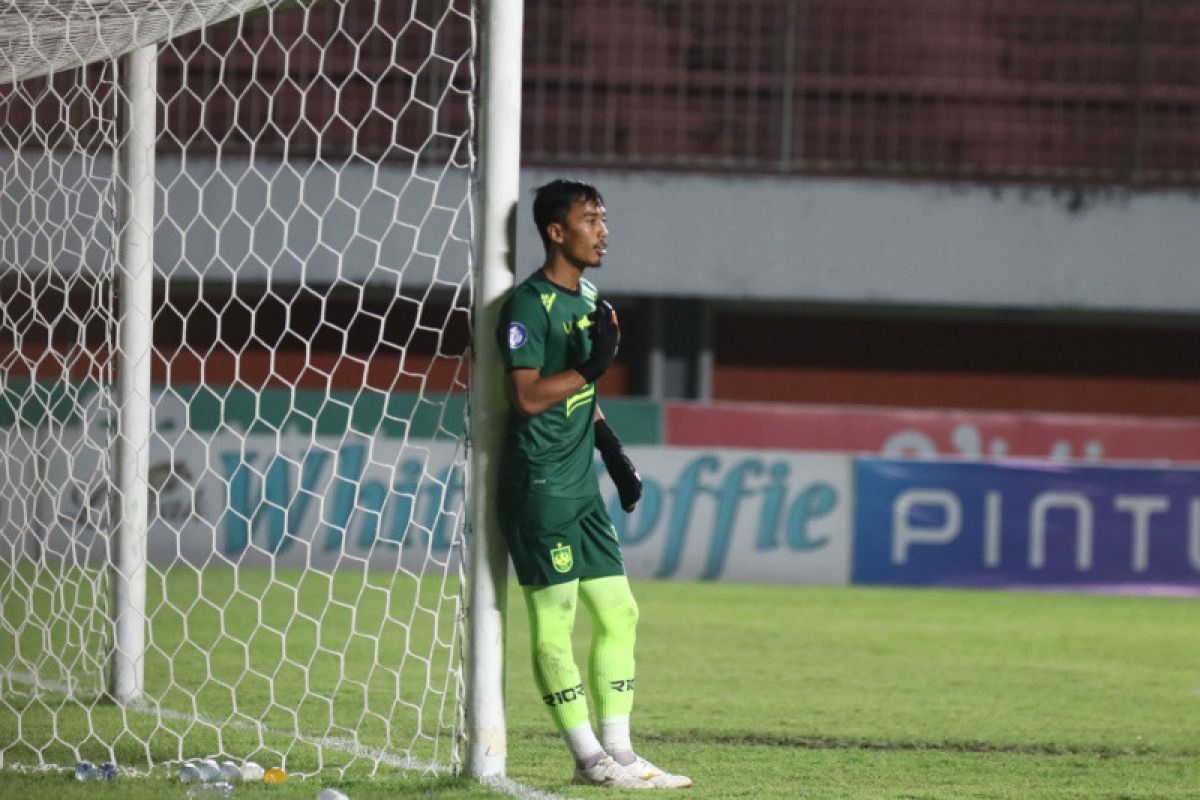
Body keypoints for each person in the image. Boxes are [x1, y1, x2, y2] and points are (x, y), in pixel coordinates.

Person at [495, 179, 692, 790]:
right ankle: (588, 760)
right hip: (540, 484)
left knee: (619, 612)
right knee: (554, 620)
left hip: (580, 484)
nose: (604, 231)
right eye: (591, 220)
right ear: (557, 232)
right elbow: (527, 397)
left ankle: (621, 754)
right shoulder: (528, 306)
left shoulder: (589, 298)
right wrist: (590, 365)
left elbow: (585, 392)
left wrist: (613, 454)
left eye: (604, 219)